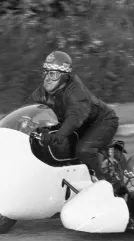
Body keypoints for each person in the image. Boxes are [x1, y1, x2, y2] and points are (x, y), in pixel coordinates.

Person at [28, 50, 119, 180]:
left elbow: (75, 117)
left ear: (64, 76)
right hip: (77, 123)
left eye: (53, 74)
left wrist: (59, 135)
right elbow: (30, 110)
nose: (47, 78)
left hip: (101, 121)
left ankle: (102, 183)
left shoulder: (76, 91)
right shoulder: (43, 91)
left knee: (83, 150)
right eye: (45, 72)